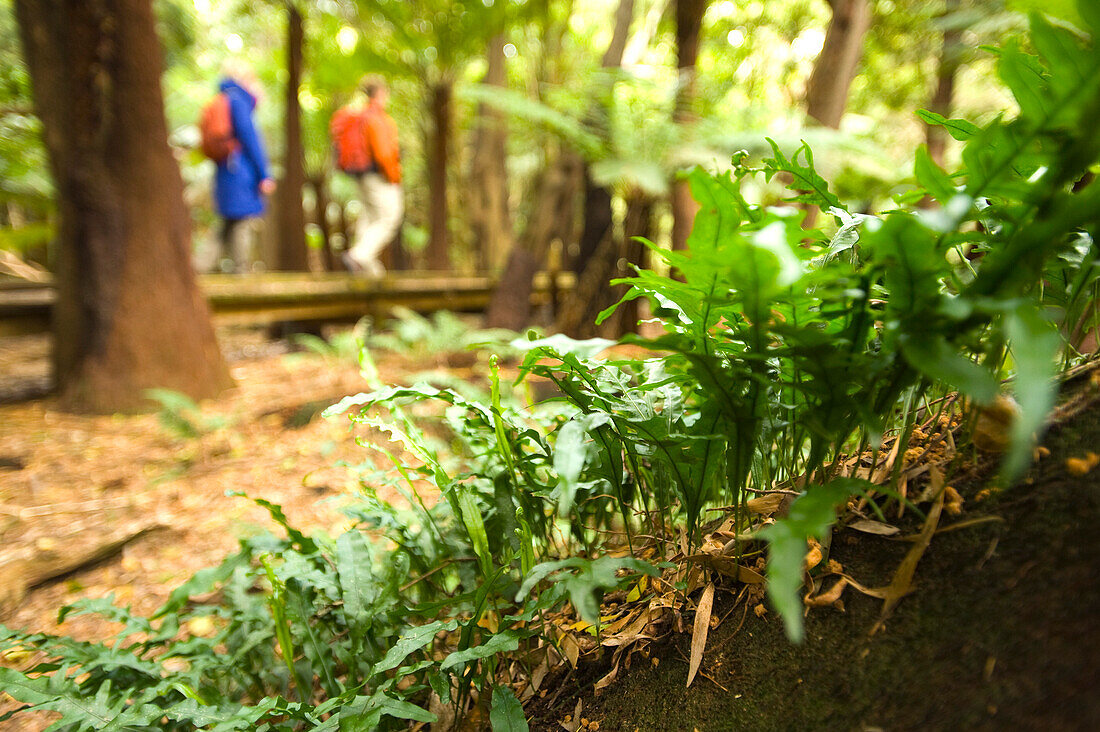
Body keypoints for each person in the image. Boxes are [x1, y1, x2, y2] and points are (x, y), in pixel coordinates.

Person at [211, 61, 275, 273]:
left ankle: (197, 268)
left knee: (228, 222)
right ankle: (241, 272)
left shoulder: (225, 98)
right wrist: (264, 174)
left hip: (228, 170)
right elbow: (250, 139)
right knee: (243, 219)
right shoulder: (238, 100)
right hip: (240, 171)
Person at [337, 75, 403, 277]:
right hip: (378, 176)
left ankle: (367, 269)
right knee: (390, 216)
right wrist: (394, 176)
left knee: (370, 216)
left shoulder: (360, 116)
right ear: (381, 93)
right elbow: (384, 153)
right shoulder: (377, 118)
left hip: (360, 175)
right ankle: (360, 256)